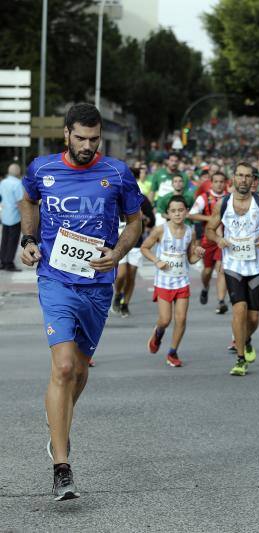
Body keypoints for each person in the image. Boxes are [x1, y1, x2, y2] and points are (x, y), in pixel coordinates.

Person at [19, 103, 143, 500]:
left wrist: (119, 251)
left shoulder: (117, 173)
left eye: (94, 139)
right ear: (67, 134)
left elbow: (136, 220)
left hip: (97, 282)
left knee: (81, 370)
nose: (88, 146)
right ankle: (62, 464)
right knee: (65, 365)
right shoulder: (42, 168)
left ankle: (57, 420)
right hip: (56, 279)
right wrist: (28, 239)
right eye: (81, 138)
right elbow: (29, 201)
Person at [205, 162, 259, 376]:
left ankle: (245, 339)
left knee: (253, 318)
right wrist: (218, 238)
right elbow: (210, 229)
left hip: (255, 265)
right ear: (234, 179)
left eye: (248, 176)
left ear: (253, 180)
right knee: (239, 309)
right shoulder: (224, 203)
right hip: (233, 265)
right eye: (240, 175)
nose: (244, 180)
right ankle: (240, 358)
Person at [141, 196, 204, 367]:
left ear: (186, 212)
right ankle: (158, 333)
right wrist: (156, 260)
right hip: (163, 281)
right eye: (173, 211)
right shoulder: (160, 230)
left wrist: (198, 256)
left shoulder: (191, 231)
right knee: (165, 320)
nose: (177, 214)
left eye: (181, 210)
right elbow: (144, 247)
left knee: (181, 319)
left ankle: (173, 352)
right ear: (167, 214)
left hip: (182, 280)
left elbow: (190, 259)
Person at [188, 170, 229, 314]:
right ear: (211, 183)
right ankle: (205, 288)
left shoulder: (230, 198)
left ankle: (221, 301)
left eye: (221, 182)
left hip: (224, 240)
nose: (219, 184)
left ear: (225, 183)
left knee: (221, 269)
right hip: (208, 239)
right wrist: (210, 219)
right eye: (216, 181)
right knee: (207, 271)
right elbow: (191, 215)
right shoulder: (203, 198)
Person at [112, 194, 154, 318]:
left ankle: (125, 304)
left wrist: (145, 219)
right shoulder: (115, 196)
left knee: (131, 275)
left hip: (136, 241)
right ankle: (118, 293)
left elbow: (151, 219)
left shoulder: (142, 198)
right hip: (119, 241)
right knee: (121, 274)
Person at [0, 163, 24, 271]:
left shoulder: (3, 182)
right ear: (18, 172)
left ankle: (2, 262)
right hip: (15, 217)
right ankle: (9, 263)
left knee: (4, 240)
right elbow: (20, 202)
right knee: (13, 241)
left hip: (5, 215)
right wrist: (24, 216)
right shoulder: (18, 183)